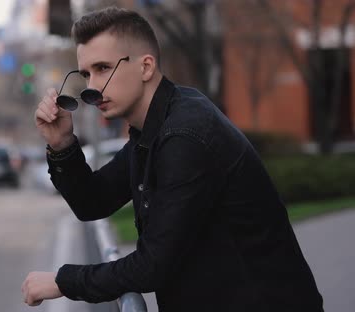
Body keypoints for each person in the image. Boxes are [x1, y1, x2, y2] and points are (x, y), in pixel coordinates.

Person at [22, 6, 323, 312]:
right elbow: (93, 202)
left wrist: (63, 281)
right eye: (86, 74)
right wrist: (62, 145)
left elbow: (151, 266)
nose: (92, 87)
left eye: (102, 68)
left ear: (146, 67)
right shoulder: (153, 127)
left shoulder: (184, 134)